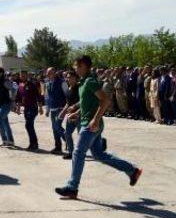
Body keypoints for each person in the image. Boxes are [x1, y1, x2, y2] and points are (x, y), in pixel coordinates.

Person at [55, 55, 142, 199]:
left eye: (76, 66)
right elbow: (89, 103)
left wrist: (95, 120)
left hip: (91, 125)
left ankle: (72, 187)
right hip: (89, 122)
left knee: (77, 153)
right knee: (99, 155)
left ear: (83, 65)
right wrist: (77, 112)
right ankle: (132, 171)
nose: (75, 69)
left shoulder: (90, 81)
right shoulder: (83, 82)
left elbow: (105, 100)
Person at [16, 70, 43, 151]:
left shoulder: (32, 84)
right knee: (29, 126)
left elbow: (38, 96)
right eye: (21, 75)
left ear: (27, 75)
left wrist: (40, 108)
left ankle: (34, 144)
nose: (23, 77)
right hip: (26, 108)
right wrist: (18, 108)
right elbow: (19, 97)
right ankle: (33, 143)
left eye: (24, 75)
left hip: (33, 107)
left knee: (28, 125)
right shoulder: (20, 85)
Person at [45, 67, 67, 155]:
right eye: (47, 72)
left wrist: (67, 108)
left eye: (50, 72)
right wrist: (47, 109)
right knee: (54, 129)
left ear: (55, 73)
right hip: (53, 109)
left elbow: (67, 95)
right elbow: (47, 97)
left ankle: (68, 141)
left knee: (57, 126)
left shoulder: (62, 82)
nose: (48, 74)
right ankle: (58, 147)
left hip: (60, 108)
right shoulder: (47, 83)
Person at [59, 70, 80, 159]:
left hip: (79, 115)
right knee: (67, 133)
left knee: (82, 135)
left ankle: (100, 142)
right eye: (67, 77)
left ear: (75, 78)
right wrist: (63, 112)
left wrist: (77, 112)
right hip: (70, 115)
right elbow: (68, 103)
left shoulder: (80, 88)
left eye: (71, 77)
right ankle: (71, 152)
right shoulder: (68, 89)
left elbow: (83, 101)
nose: (69, 79)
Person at [0, 67, 14, 147]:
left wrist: (13, 101)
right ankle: (9, 141)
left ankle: (5, 140)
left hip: (6, 104)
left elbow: (13, 89)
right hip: (0, 104)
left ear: (0, 72)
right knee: (5, 123)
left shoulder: (4, 80)